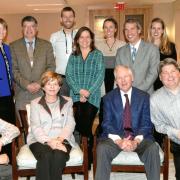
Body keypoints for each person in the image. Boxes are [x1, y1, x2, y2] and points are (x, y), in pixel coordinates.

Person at [95, 65, 160, 180]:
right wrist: (119, 141)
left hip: (139, 137)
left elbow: (146, 123)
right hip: (116, 138)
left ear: (132, 78)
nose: (123, 80)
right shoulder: (108, 98)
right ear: (115, 81)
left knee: (152, 148)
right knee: (102, 148)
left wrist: (136, 141)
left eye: (126, 76)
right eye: (119, 78)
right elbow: (106, 124)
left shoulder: (144, 97)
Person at [66, 26, 105, 169]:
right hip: (76, 97)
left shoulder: (98, 54)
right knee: (80, 127)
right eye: (81, 37)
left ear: (92, 39)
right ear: (77, 40)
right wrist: (79, 91)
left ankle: (87, 160)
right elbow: (68, 75)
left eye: (87, 37)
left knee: (85, 127)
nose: (84, 40)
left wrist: (87, 92)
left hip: (92, 97)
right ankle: (87, 157)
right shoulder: (73, 56)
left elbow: (100, 76)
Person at [27, 71, 76, 180]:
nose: (52, 87)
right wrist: (49, 142)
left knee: (58, 156)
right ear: (43, 87)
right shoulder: (35, 103)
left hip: (63, 139)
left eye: (55, 84)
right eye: (49, 84)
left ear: (59, 87)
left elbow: (70, 123)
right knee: (46, 155)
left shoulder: (67, 101)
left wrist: (59, 139)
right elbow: (36, 127)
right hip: (39, 140)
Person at [10, 16, 55, 111]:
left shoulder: (46, 45)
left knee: (43, 124)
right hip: (22, 93)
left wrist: (39, 83)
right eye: (26, 26)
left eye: (32, 26)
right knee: (24, 125)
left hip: (42, 92)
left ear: (36, 28)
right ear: (22, 28)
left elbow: (51, 66)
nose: (29, 29)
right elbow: (14, 69)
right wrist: (27, 85)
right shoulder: (13, 46)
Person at [151, 58, 180, 180]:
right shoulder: (155, 99)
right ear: (160, 77)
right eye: (165, 73)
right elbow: (158, 125)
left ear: (179, 73)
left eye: (173, 71)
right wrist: (176, 133)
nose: (170, 75)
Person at [116, 18, 160, 95]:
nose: (129, 32)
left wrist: (135, 91)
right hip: (124, 95)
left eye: (132, 29)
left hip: (145, 95)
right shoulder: (120, 51)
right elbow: (117, 75)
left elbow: (153, 73)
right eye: (126, 30)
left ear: (139, 30)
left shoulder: (152, 49)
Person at [50, 7, 77, 96]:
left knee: (77, 107)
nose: (68, 19)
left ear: (74, 19)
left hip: (77, 78)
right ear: (61, 19)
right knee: (61, 107)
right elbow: (50, 59)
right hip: (60, 79)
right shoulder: (54, 36)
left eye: (70, 16)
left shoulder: (80, 35)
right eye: (65, 17)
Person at [0, 18, 16, 164]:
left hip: (8, 95)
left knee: (10, 127)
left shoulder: (7, 48)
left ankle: (9, 163)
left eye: (3, 29)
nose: (1, 32)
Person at [96, 17, 125, 93]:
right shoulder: (97, 46)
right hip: (102, 82)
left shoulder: (123, 45)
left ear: (115, 29)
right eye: (106, 27)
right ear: (103, 29)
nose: (108, 30)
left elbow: (125, 67)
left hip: (118, 80)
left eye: (111, 27)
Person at [148, 17, 177, 90]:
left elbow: (173, 67)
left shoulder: (171, 46)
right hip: (150, 85)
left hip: (166, 84)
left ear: (163, 31)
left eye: (159, 28)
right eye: (153, 28)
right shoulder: (145, 47)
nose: (156, 31)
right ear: (150, 30)